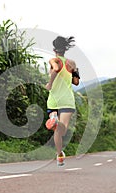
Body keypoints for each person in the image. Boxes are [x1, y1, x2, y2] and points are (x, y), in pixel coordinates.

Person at [45, 36, 80, 166]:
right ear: (65, 49)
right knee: (62, 130)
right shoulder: (72, 63)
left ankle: (59, 155)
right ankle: (59, 157)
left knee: (57, 130)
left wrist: (50, 84)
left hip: (53, 100)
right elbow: (76, 82)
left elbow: (55, 68)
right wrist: (74, 71)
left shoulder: (53, 60)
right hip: (67, 100)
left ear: (54, 49)